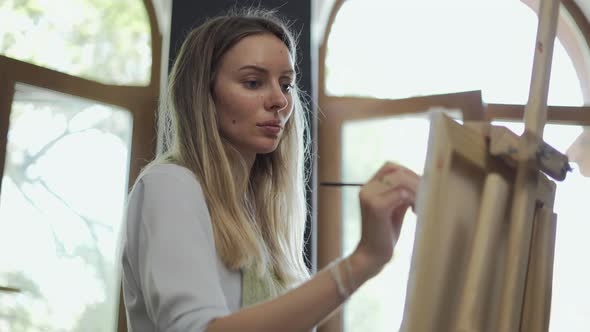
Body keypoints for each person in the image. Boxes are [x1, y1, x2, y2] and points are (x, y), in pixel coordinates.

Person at [121, 7, 420, 332]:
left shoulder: (259, 213)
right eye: (253, 82)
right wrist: (362, 261)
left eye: (286, 84)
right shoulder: (170, 185)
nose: (279, 100)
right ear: (203, 94)